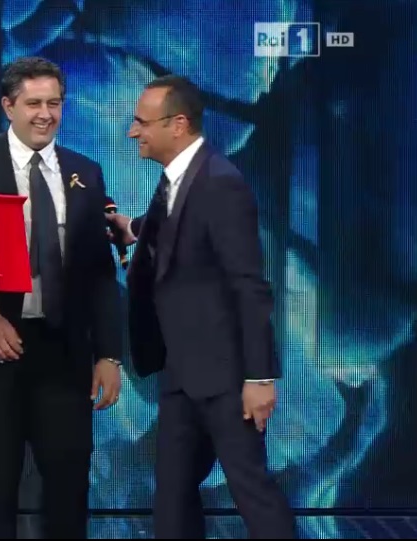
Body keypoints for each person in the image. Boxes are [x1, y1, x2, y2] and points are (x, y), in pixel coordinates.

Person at [0, 56, 124, 539]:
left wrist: (108, 354)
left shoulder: (86, 172)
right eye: (34, 103)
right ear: (8, 106)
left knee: (68, 483)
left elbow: (100, 273)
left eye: (54, 103)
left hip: (64, 354)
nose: (45, 114)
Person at [105, 74, 296, 539]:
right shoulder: (178, 180)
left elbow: (248, 284)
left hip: (226, 378)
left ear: (178, 125)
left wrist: (259, 378)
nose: (132, 132)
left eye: (142, 123)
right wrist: (131, 228)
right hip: (182, 376)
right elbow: (172, 228)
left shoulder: (220, 183)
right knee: (172, 494)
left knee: (251, 490)